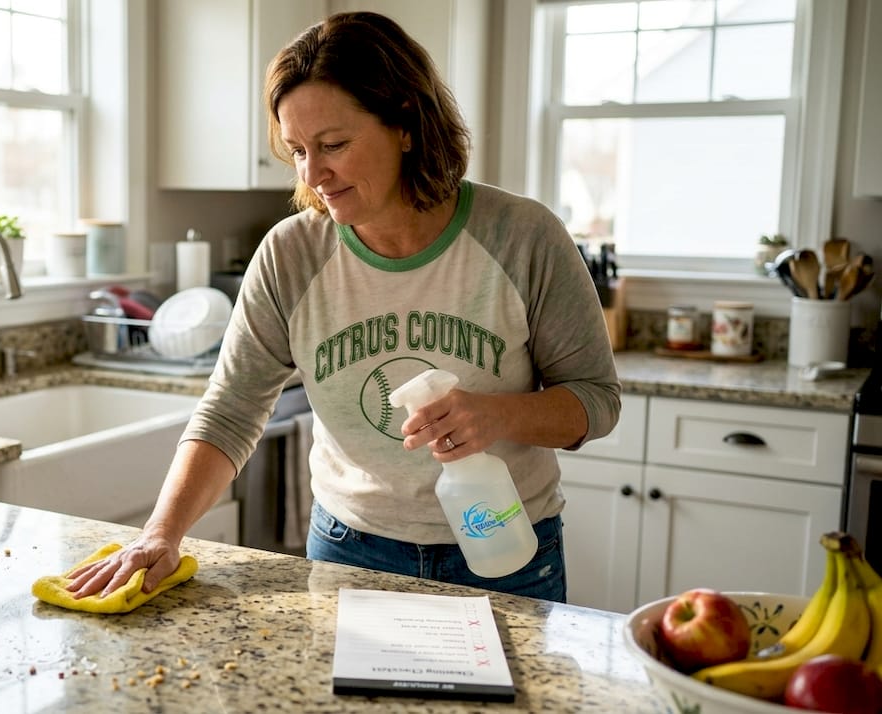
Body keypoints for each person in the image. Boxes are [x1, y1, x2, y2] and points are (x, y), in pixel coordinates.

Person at [67, 11, 620, 604]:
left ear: (406, 123)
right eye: (297, 150)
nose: (313, 173)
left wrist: (498, 416)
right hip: (350, 550)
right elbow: (230, 411)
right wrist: (160, 533)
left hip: (506, 546)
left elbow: (595, 400)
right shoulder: (291, 254)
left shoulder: (523, 236)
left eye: (333, 145)